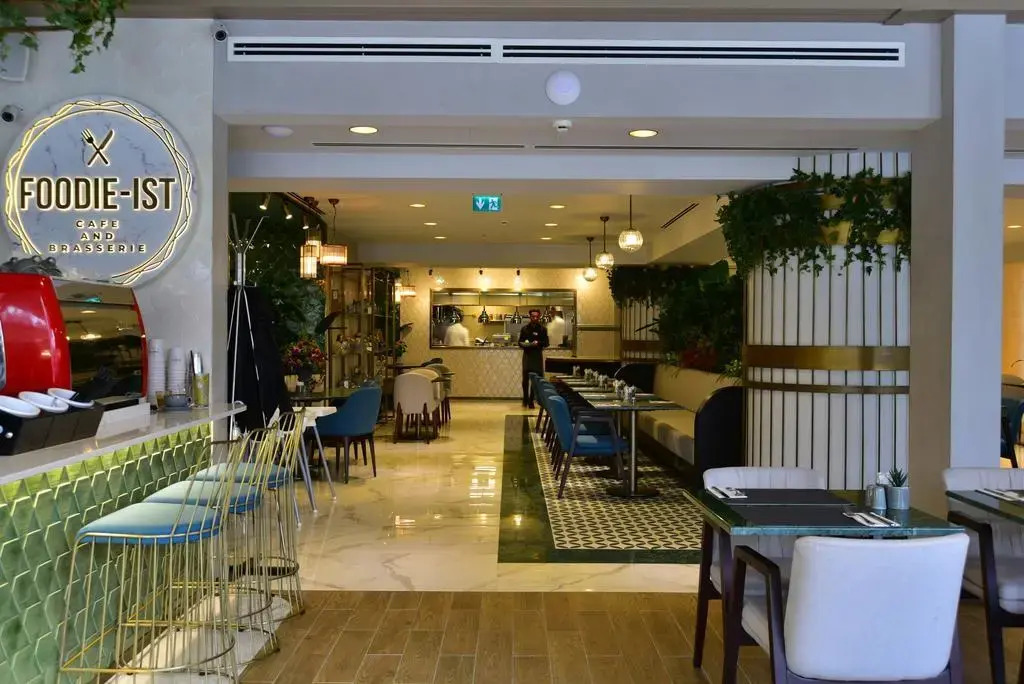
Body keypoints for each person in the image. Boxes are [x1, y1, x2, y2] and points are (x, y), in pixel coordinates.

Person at [518, 308, 549, 408]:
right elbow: (520, 342)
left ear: (539, 317)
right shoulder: (525, 329)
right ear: (530, 317)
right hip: (527, 355)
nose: (535, 318)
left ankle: (531, 400)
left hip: (537, 356)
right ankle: (525, 398)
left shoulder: (542, 329)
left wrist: (538, 343)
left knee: (535, 380)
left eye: (536, 316)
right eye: (533, 316)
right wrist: (525, 344)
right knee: (525, 379)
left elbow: (546, 343)